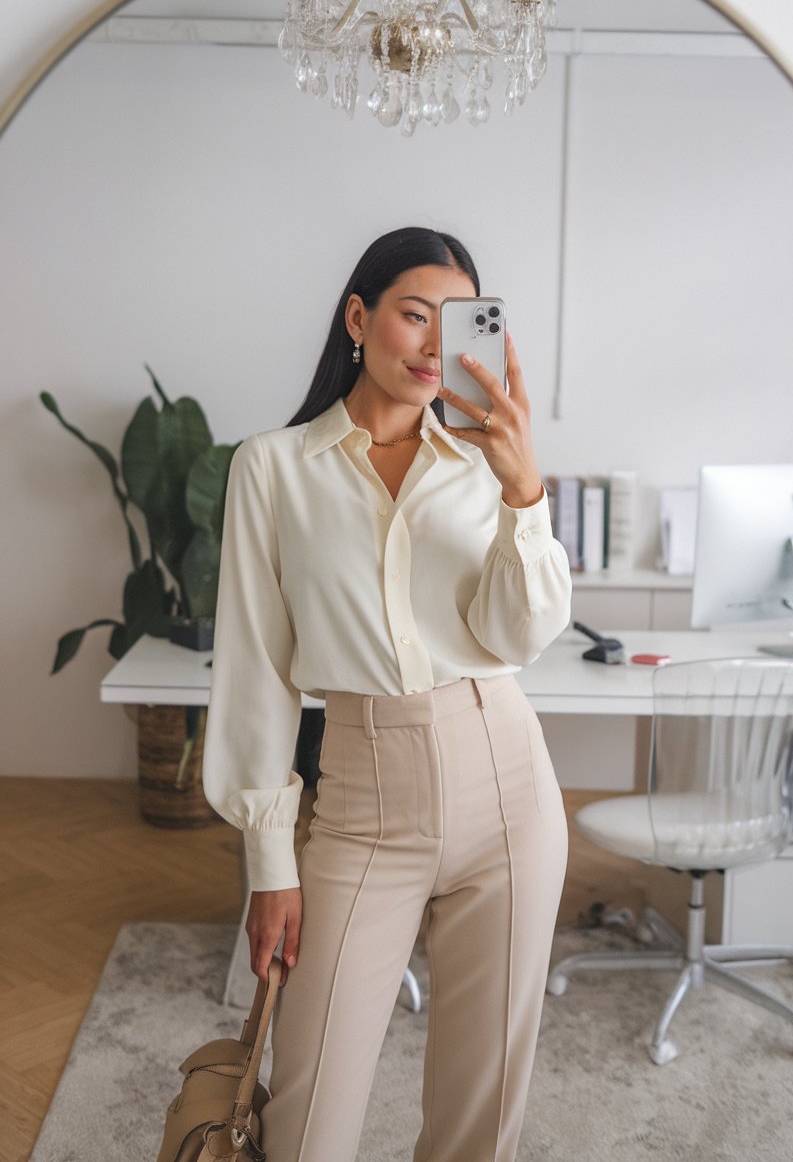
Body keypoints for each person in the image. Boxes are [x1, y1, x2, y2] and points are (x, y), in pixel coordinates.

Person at [202, 226, 572, 1162]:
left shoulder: (487, 470)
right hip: (364, 798)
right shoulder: (273, 469)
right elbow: (255, 671)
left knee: (478, 1118)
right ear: (359, 317)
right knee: (307, 1118)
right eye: (416, 316)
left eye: (458, 327)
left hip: (507, 780)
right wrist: (268, 859)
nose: (433, 348)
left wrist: (523, 490)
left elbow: (519, 637)